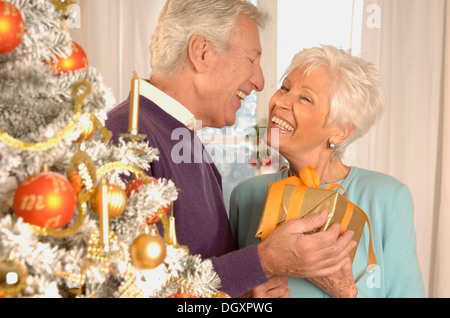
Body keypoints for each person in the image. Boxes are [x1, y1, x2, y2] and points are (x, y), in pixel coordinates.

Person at [106, 0, 355, 298]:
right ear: (202, 53)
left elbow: (196, 279)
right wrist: (262, 261)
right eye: (252, 60)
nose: (260, 82)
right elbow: (132, 288)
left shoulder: (184, 141)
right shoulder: (123, 137)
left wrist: (245, 295)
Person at [229, 45, 426, 298]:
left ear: (340, 130)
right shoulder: (246, 196)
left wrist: (345, 291)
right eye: (285, 88)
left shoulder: (388, 198)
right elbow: (211, 293)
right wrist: (245, 299)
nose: (280, 101)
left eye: (305, 98)